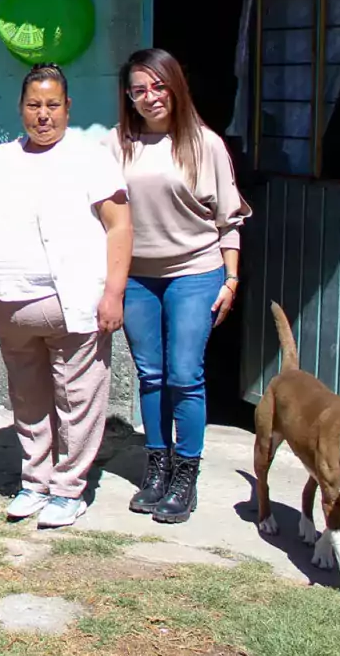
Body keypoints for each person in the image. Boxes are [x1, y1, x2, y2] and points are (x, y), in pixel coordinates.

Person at [0, 63, 132, 529]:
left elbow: (120, 226)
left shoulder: (90, 157)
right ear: (20, 108)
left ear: (67, 107)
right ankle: (35, 481)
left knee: (77, 398)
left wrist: (113, 293)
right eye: (34, 105)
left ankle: (69, 488)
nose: (43, 115)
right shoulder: (2, 158)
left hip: (73, 305)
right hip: (9, 305)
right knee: (28, 399)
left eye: (52, 105)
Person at [104, 48, 250, 524]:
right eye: (139, 90)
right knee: (150, 374)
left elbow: (229, 219)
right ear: (128, 96)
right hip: (139, 276)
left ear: (175, 86)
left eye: (158, 86)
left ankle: (185, 474)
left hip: (195, 271)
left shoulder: (203, 143)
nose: (150, 98)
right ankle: (157, 465)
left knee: (184, 374)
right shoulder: (117, 143)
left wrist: (230, 278)